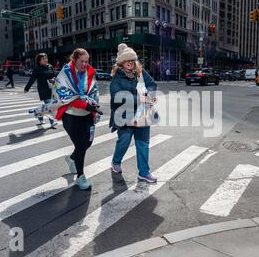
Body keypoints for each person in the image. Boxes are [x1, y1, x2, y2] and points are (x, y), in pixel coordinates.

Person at [53, 48, 102, 190]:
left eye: (87, 61)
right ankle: (80, 177)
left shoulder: (90, 72)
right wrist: (85, 105)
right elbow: (65, 95)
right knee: (81, 145)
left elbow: (94, 91)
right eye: (82, 61)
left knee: (88, 142)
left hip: (87, 114)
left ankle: (71, 158)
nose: (85, 64)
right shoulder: (65, 73)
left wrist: (92, 105)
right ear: (74, 60)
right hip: (70, 115)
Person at [110, 43, 158, 184]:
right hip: (125, 116)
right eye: (127, 60)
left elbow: (152, 84)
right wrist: (139, 98)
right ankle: (116, 161)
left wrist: (149, 94)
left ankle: (144, 172)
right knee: (124, 142)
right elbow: (117, 97)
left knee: (142, 144)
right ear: (121, 63)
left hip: (142, 113)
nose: (130, 63)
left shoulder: (141, 73)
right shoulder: (117, 78)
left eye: (132, 60)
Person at [24, 53, 57, 128]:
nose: (46, 60)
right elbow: (32, 79)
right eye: (43, 59)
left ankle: (37, 113)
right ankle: (52, 122)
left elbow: (54, 76)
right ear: (39, 61)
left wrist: (54, 79)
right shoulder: (37, 69)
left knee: (49, 105)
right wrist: (27, 88)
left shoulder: (50, 66)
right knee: (50, 105)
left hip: (51, 89)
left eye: (46, 58)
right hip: (43, 90)